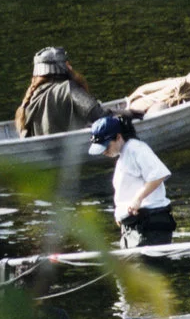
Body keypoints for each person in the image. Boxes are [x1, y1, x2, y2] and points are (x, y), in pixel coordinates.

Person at [88, 115, 177, 248]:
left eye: (106, 147)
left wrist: (138, 199)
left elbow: (159, 174)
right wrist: (120, 215)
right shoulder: (123, 155)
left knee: (144, 266)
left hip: (149, 225)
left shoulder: (136, 148)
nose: (104, 152)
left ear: (118, 137)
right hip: (133, 226)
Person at [15, 46, 107, 137]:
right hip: (71, 149)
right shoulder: (68, 88)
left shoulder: (31, 97)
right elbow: (98, 115)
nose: (70, 67)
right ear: (63, 67)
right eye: (67, 64)